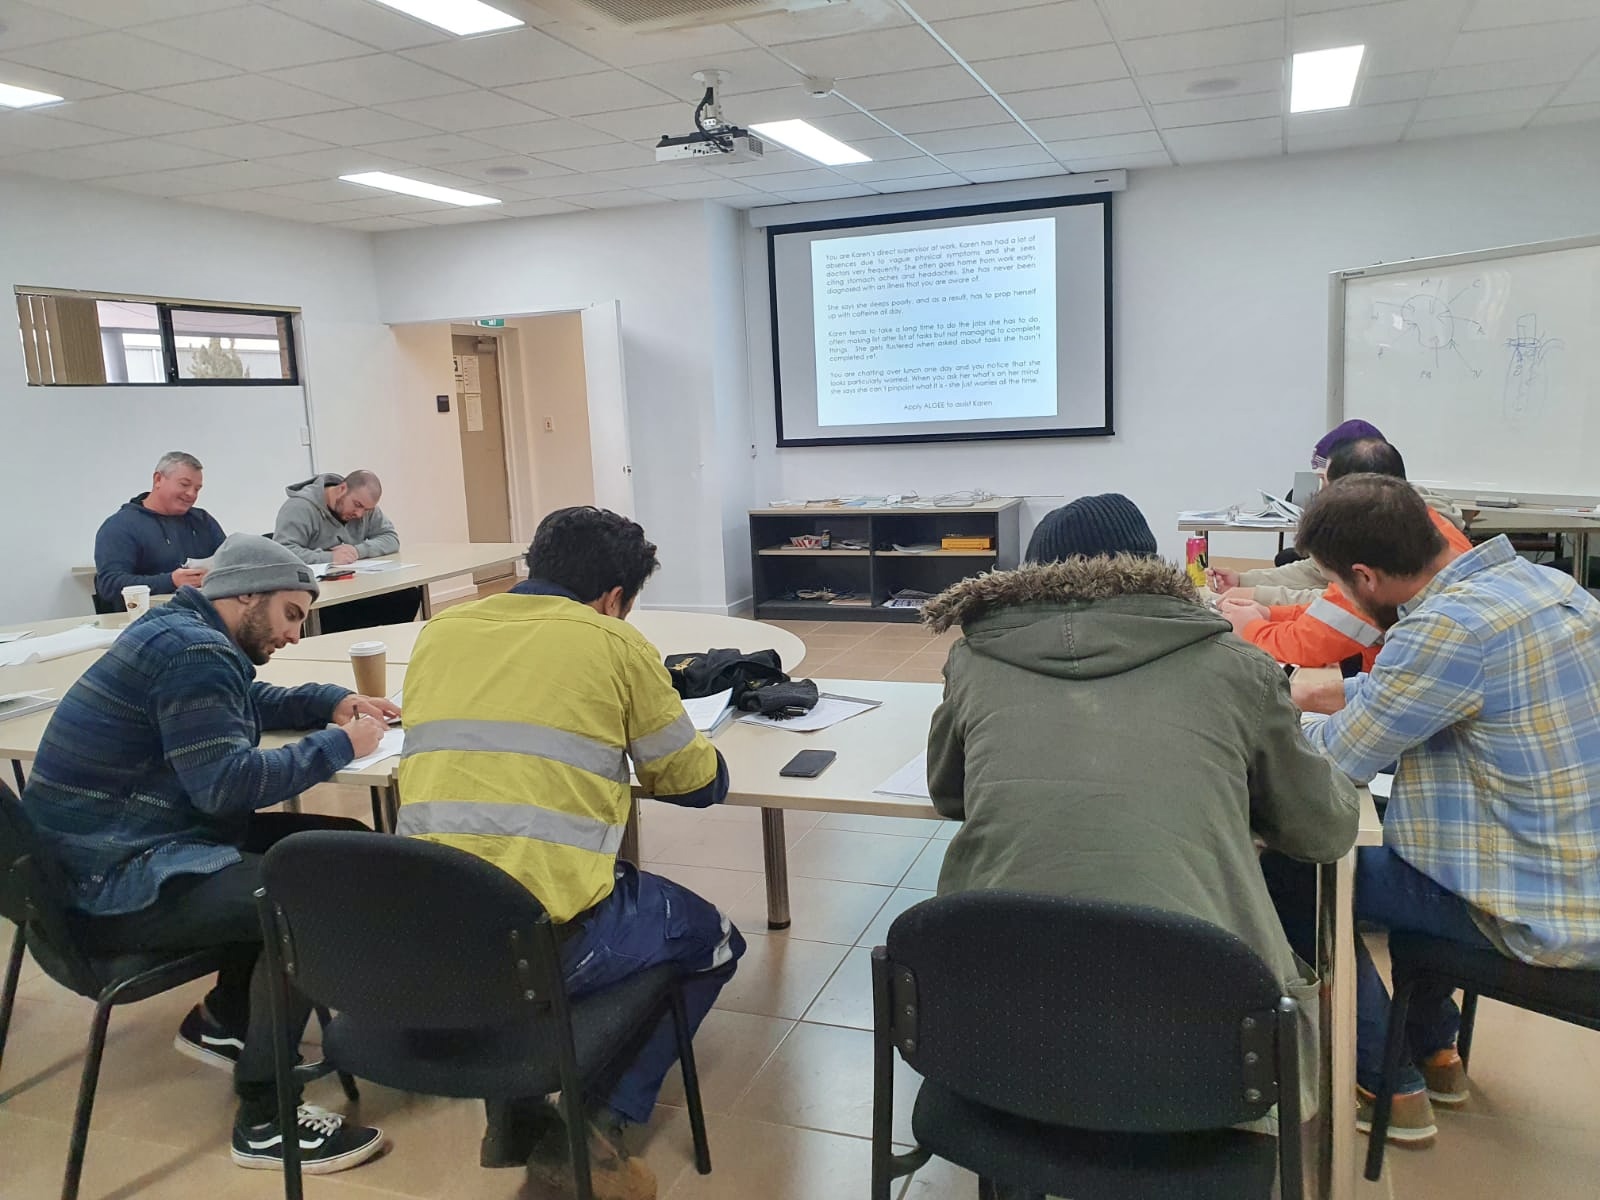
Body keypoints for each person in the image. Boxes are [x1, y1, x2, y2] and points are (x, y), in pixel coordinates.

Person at [924, 493, 1359, 1116]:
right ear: (1153, 571)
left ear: (1023, 581)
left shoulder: (972, 660)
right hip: (1205, 1044)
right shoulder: (1238, 667)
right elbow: (1324, 833)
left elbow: (948, 794)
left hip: (997, 1031)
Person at [21, 534, 399, 1175]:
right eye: (290, 614)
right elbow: (227, 786)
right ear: (245, 592)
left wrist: (328, 702)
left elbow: (239, 703)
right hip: (116, 882)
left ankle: (224, 1023)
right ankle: (265, 1118)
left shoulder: (179, 629)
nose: (294, 635)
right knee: (313, 896)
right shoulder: (195, 652)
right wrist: (341, 745)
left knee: (342, 851)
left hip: (110, 856)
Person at [396, 506, 743, 1200]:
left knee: (520, 883)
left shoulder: (442, 630)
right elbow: (691, 780)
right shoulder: (613, 644)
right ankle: (592, 1129)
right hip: (539, 941)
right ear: (615, 598)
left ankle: (514, 1113)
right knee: (712, 939)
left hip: (427, 930)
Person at [1291, 475, 1600, 1145]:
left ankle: (1388, 1083)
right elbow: (1458, 685)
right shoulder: (1548, 589)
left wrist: (1272, 720)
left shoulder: (1442, 631)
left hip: (1538, 908)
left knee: (1301, 872)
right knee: (1412, 861)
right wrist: (1352, 688)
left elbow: (1337, 764)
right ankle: (1438, 1053)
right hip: (1582, 873)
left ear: (1366, 577)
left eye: (1340, 586)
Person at [1218, 439, 1473, 671]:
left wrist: (1251, 628)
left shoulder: (1375, 556)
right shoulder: (1432, 528)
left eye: (1328, 485)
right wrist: (1271, 614)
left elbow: (1311, 641)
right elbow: (1335, 609)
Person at [1207, 420, 1465, 602]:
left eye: (1326, 482)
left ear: (1356, 489)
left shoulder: (1407, 538)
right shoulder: (1396, 518)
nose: (1322, 494)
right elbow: (1317, 573)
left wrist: (1256, 600)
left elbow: (1340, 612)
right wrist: (1244, 581)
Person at [274, 469, 417, 630]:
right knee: (339, 615)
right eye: (357, 505)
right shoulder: (299, 508)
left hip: (355, 586)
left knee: (406, 596)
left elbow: (390, 538)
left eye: (367, 510)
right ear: (342, 489)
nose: (360, 514)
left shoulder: (364, 508)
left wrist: (357, 551)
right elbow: (283, 553)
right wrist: (329, 558)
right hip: (321, 595)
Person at [93, 451, 226, 609]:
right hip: (149, 621)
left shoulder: (203, 520)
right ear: (158, 479)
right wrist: (171, 581)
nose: (191, 494)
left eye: (197, 489)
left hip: (205, 615)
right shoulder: (120, 526)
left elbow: (231, 564)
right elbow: (110, 585)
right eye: (184, 484)